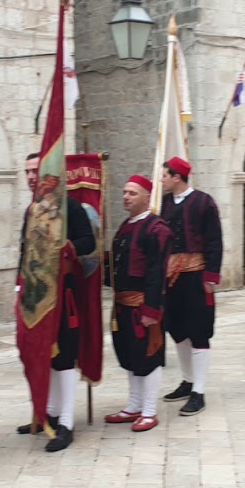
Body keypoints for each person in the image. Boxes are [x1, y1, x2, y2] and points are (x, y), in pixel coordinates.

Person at [14, 152, 96, 450]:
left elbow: (89, 242)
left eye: (36, 170)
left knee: (63, 357)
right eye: (27, 172)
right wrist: (17, 286)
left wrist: (65, 246)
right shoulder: (30, 212)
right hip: (35, 295)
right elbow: (24, 251)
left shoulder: (71, 208)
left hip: (64, 295)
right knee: (39, 352)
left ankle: (66, 422)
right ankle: (45, 412)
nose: (31, 176)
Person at [104, 175, 172, 432]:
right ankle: (133, 406)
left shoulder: (157, 229)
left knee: (148, 356)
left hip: (143, 307)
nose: (125, 197)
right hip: (122, 305)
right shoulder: (125, 226)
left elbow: (157, 272)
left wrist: (151, 310)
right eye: (124, 192)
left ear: (146, 196)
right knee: (129, 355)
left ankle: (149, 410)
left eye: (132, 193)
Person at [158, 156, 223, 414]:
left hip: (196, 277)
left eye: (165, 175)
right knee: (177, 329)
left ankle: (199, 391)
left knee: (199, 331)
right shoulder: (162, 203)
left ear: (177, 177)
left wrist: (211, 276)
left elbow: (214, 240)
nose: (161, 179)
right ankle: (187, 380)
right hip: (171, 278)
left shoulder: (204, 202)